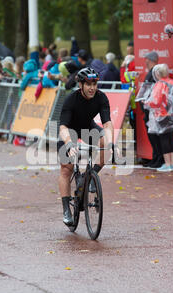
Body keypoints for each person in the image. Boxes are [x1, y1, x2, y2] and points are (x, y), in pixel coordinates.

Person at [57, 67, 115, 226]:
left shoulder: (101, 97)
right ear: (80, 85)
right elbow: (62, 127)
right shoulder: (71, 99)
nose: (92, 88)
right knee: (66, 168)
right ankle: (66, 210)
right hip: (69, 130)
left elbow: (107, 123)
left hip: (88, 127)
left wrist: (110, 141)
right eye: (88, 84)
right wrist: (69, 143)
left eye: (95, 84)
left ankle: (91, 176)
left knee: (105, 143)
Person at [146, 64, 173, 172]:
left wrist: (146, 103)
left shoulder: (160, 84)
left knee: (164, 139)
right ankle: (172, 164)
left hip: (162, 115)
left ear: (157, 73)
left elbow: (155, 101)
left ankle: (167, 164)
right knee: (170, 139)